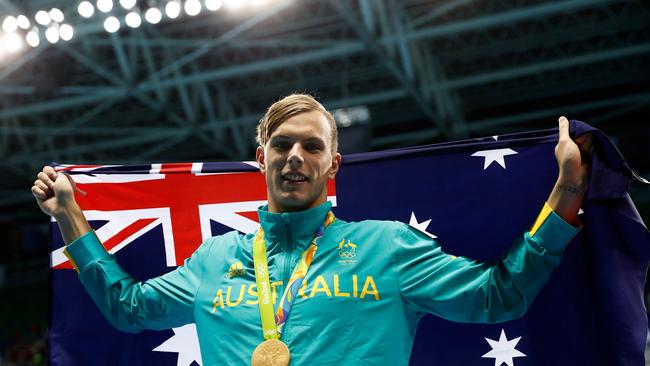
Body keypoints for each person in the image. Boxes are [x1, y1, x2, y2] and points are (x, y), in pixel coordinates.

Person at [32, 94, 591, 365]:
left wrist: (566, 188)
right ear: (261, 158)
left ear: (332, 165)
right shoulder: (214, 259)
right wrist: (69, 215)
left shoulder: (387, 247)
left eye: (312, 146)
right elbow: (128, 307)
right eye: (282, 145)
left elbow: (499, 296)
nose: (295, 156)